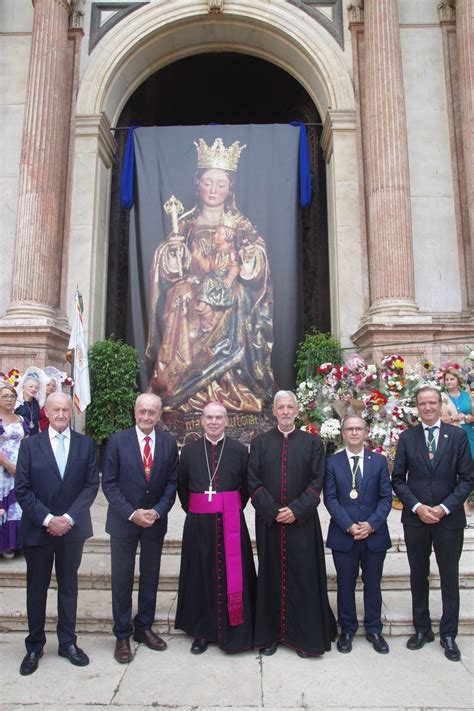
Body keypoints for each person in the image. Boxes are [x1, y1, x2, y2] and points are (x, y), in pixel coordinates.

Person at [146, 137, 274, 414]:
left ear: (230, 189)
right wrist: (174, 252)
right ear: (198, 184)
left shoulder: (240, 224)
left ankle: (230, 384)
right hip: (192, 290)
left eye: (221, 184)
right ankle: (179, 386)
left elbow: (255, 261)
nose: (213, 189)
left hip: (227, 290)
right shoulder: (186, 223)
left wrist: (250, 257)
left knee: (238, 294)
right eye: (207, 182)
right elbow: (170, 270)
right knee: (180, 294)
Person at [14, 393, 99, 676]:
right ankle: (35, 645)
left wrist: (69, 518)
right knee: (36, 589)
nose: (62, 414)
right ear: (46, 413)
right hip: (39, 529)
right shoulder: (30, 446)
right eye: (56, 409)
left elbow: (90, 487)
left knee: (69, 587)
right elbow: (22, 490)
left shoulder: (85, 445)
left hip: (72, 531)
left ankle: (67, 642)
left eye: (65, 409)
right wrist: (49, 519)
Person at [248, 390, 336, 657]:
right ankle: (272, 634)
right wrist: (274, 510)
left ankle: (303, 637)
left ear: (297, 410)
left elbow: (316, 483)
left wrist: (296, 510)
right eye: (280, 407)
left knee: (303, 578)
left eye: (290, 407)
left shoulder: (312, 443)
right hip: (270, 523)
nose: (285, 412)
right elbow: (253, 481)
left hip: (302, 524)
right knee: (271, 576)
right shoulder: (260, 442)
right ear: (273, 411)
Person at [392, 386, 474, 662]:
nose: (427, 407)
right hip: (416, 520)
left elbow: (467, 479)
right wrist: (417, 507)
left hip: (448, 520)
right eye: (422, 403)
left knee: (449, 576)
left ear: (440, 405)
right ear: (417, 407)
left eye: (432, 403)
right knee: (418, 575)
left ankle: (448, 633)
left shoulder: (458, 436)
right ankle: (422, 629)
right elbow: (398, 480)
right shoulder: (407, 437)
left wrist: (442, 508)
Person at [102, 393, 178, 664]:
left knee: (150, 576)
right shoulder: (117, 441)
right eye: (142, 411)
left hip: (155, 522)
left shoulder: (169, 443)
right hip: (123, 522)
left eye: (152, 412)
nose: (146, 416)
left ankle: (143, 627)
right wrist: (132, 513)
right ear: (135, 412)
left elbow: (172, 483)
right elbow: (109, 484)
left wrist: (157, 511)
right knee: (122, 579)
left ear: (159, 415)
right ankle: (122, 634)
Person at [175, 401, 256, 654]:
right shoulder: (188, 451)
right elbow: (183, 487)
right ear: (202, 421)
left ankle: (236, 625)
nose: (213, 422)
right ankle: (202, 631)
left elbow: (245, 488)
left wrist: (228, 507)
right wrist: (200, 510)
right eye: (209, 417)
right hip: (198, 524)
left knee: (234, 576)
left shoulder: (239, 450)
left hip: (231, 521)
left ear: (226, 421)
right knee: (199, 575)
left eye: (218, 418)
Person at [324, 416, 392, 654]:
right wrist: (349, 525)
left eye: (358, 428)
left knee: (373, 583)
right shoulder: (332, 463)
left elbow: (386, 498)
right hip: (345, 535)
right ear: (342, 433)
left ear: (366, 432)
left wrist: (371, 524)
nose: (354, 432)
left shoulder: (379, 462)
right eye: (349, 429)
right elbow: (330, 499)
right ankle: (348, 629)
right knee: (345, 584)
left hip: (374, 535)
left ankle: (374, 629)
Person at [0, 382, 29, 558]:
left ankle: (17, 543)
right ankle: (4, 545)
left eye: (12, 396)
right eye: (5, 396)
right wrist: (8, 464)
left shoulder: (21, 419)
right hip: (3, 467)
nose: (9, 400)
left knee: (18, 505)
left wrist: (25, 464)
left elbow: (27, 442)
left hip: (21, 467)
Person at [440, 365, 474, 458]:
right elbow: (436, 420)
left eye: (452, 379)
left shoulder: (468, 395)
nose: (449, 382)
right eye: (447, 380)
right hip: (450, 436)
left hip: (469, 434)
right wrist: (453, 417)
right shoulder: (440, 397)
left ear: (458, 380)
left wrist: (471, 419)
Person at [15, 369, 46, 436]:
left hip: (34, 437)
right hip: (20, 437)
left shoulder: (36, 402)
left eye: (36, 388)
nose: (33, 389)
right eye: (31, 386)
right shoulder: (17, 402)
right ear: (24, 387)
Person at [39, 367, 63, 432]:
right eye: (48, 385)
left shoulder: (57, 402)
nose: (51, 387)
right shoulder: (37, 400)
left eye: (53, 386)